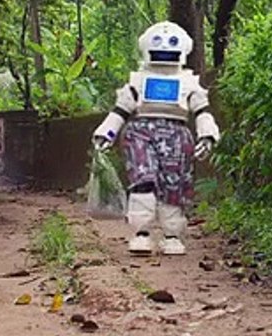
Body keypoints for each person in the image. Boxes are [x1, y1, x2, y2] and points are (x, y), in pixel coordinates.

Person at [92, 21, 219, 256]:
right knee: (143, 180)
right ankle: (141, 233)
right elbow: (121, 110)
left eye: (172, 42)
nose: (165, 47)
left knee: (174, 186)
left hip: (177, 136)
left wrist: (207, 135)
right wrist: (106, 132)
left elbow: (202, 111)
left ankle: (172, 235)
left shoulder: (189, 82)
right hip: (140, 133)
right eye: (159, 42)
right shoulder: (138, 81)